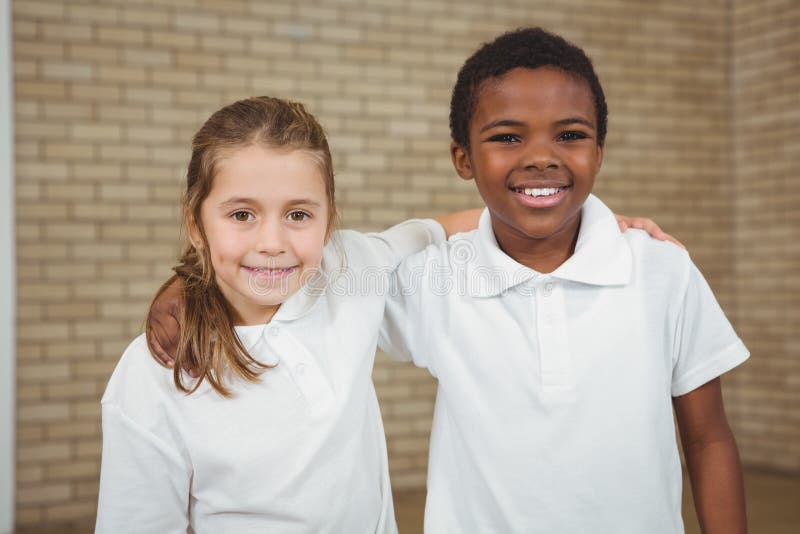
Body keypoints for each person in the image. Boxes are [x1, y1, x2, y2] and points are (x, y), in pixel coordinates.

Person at [378, 28, 748, 533]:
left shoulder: (662, 271)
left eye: (570, 135)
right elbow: (334, 270)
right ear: (463, 158)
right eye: (508, 137)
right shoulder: (437, 279)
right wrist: (437, 229)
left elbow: (708, 440)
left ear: (598, 151)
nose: (541, 157)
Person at [96, 96, 471, 533]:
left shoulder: (349, 265)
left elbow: (436, 230)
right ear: (196, 225)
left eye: (298, 214)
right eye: (242, 214)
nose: (272, 241)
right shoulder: (155, 370)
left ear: (329, 221)